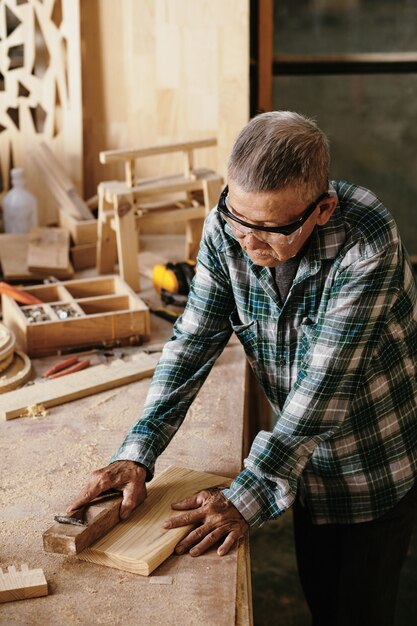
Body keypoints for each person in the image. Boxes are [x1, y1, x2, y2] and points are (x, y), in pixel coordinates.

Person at [68, 111, 417, 626]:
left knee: (359, 609)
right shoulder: (228, 227)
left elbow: (323, 390)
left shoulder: (367, 242)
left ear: (321, 210)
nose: (247, 245)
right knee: (320, 597)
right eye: (238, 220)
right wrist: (138, 452)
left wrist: (247, 495)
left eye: (270, 231)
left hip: (370, 467)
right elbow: (192, 341)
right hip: (301, 469)